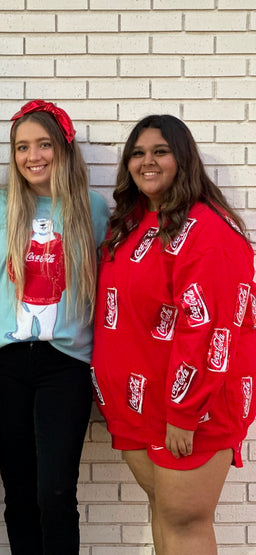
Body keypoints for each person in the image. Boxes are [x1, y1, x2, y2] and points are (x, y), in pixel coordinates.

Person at [90, 114, 256, 555]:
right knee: (165, 515)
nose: (148, 162)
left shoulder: (207, 231)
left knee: (184, 523)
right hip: (138, 408)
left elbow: (210, 329)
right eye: (138, 153)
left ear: (183, 159)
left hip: (187, 414)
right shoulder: (130, 225)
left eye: (160, 151)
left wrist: (185, 411)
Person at [0, 99, 109, 554]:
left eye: (44, 144)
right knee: (19, 492)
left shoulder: (92, 209)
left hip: (66, 363)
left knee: (55, 491)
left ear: (64, 148)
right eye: (22, 147)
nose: (33, 156)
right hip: (3, 363)